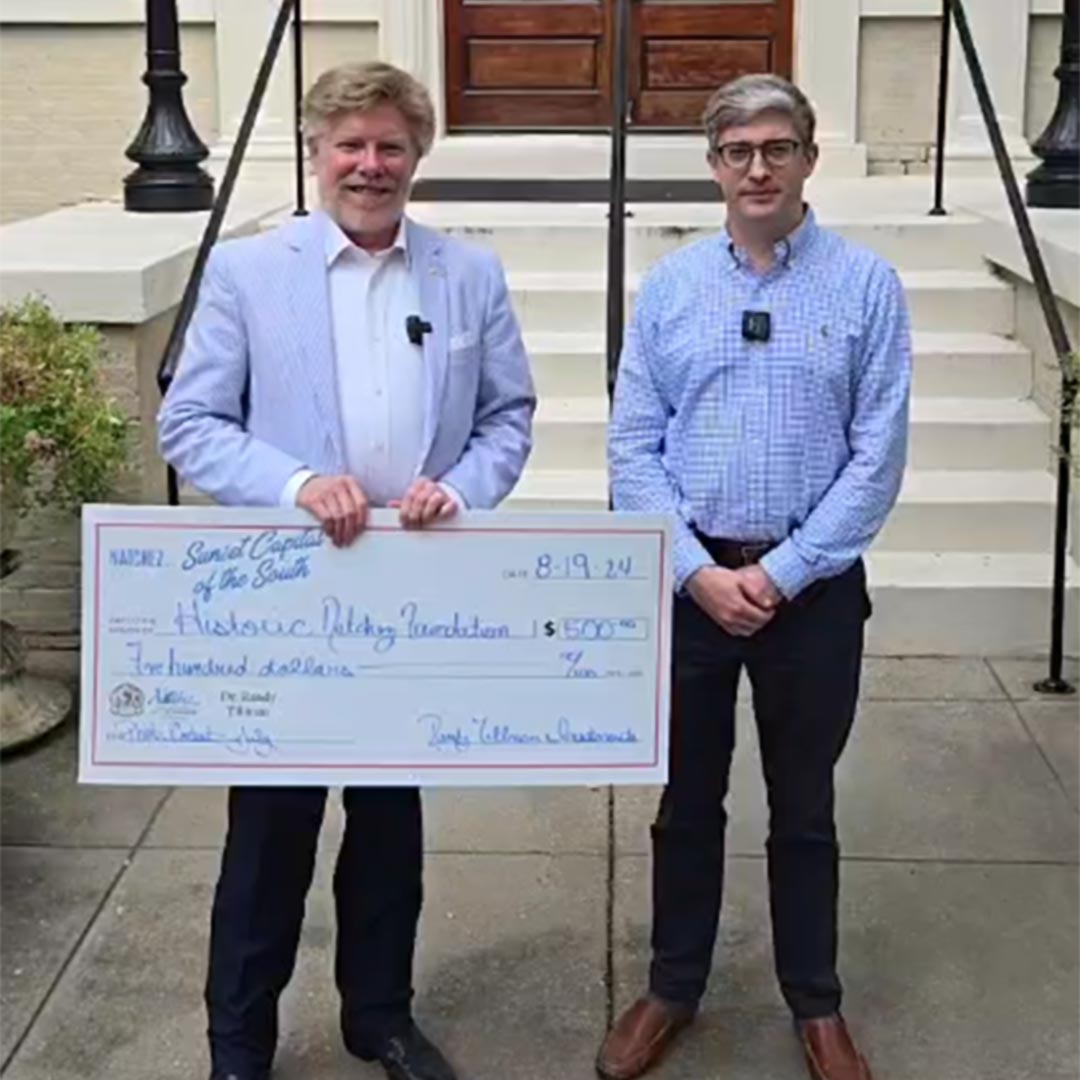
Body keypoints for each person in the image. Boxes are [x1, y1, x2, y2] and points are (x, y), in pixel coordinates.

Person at [158, 61, 535, 1080]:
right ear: (316, 153)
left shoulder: (469, 275)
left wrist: (461, 487)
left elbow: (507, 418)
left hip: (409, 595)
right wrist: (293, 484)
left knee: (389, 824)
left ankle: (381, 1016)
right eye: (351, 145)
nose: (371, 165)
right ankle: (239, 1043)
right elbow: (190, 424)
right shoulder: (248, 273)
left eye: (391, 146)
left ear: (418, 157)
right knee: (269, 837)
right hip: (292, 593)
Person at [598, 74, 911, 1080]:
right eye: (738, 152)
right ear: (714, 167)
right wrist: (695, 572)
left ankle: (815, 1004)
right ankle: (672, 986)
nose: (758, 167)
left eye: (778, 148)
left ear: (810, 159)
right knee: (685, 803)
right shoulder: (674, 288)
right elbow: (632, 450)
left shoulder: (866, 286)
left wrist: (781, 572)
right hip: (691, 589)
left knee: (804, 804)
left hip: (811, 596)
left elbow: (879, 456)